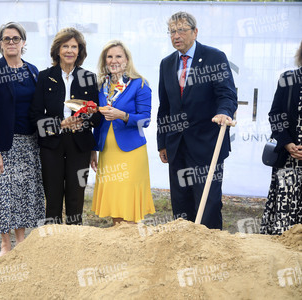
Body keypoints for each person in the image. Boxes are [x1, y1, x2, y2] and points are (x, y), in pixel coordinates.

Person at [157, 12, 237, 230]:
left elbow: (227, 94)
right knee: (181, 204)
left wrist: (224, 112)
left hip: (207, 144)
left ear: (195, 32)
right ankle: (184, 252)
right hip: (176, 146)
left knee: (207, 203)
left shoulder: (214, 57)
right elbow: (165, 107)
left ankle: (211, 254)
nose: (176, 35)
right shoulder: (167, 64)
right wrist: (162, 142)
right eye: (172, 31)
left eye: (182, 29)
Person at [0, 22, 45, 258]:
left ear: (24, 43)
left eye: (15, 38)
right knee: (3, 195)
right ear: (0, 44)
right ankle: (5, 244)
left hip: (29, 144)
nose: (11, 42)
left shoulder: (33, 71)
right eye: (6, 39)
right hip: (3, 146)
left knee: (22, 192)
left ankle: (21, 241)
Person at [29, 28, 101, 225]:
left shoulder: (89, 77)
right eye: (65, 46)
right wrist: (59, 124)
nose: (70, 50)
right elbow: (34, 116)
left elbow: (97, 117)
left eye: (74, 47)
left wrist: (83, 122)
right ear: (58, 50)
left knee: (76, 198)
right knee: (52, 197)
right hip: (51, 145)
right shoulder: (45, 77)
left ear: (80, 51)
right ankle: (52, 244)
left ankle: (74, 243)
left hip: (80, 145)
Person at [91, 40, 155, 225]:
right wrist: (92, 150)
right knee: (115, 199)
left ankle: (132, 241)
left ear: (127, 60)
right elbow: (98, 121)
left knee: (128, 199)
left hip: (131, 150)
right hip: (108, 150)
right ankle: (119, 241)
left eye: (118, 56)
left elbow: (145, 119)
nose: (114, 60)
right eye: (109, 57)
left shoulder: (139, 84)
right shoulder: (101, 85)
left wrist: (123, 115)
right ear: (104, 61)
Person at [260, 41, 302, 235]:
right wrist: (287, 144)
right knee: (285, 215)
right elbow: (275, 115)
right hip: (289, 160)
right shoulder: (289, 78)